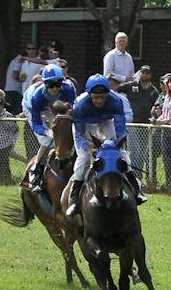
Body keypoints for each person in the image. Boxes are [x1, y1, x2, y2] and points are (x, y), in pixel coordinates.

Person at [65, 75, 143, 216]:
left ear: (108, 94)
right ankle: (75, 199)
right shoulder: (81, 105)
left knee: (122, 154)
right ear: (89, 95)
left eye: (102, 97)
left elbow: (120, 126)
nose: (99, 100)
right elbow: (79, 133)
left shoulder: (115, 101)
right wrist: (87, 146)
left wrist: (117, 142)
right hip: (85, 126)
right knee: (83, 158)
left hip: (106, 121)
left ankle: (136, 190)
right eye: (95, 97)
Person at [21, 63, 77, 192]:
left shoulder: (69, 89)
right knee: (47, 140)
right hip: (35, 109)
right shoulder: (37, 97)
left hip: (55, 108)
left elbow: (73, 111)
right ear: (44, 84)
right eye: (50, 85)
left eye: (57, 84)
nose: (54, 88)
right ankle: (35, 171)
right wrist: (46, 132)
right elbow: (36, 123)